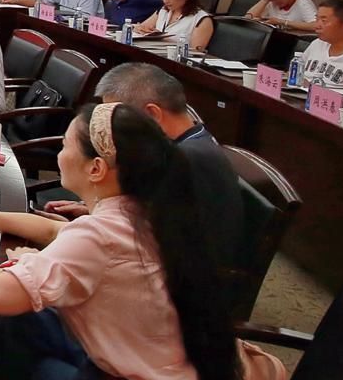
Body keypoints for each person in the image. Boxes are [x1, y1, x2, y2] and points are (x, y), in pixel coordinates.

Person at [0, 102, 243, 380]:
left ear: (96, 168)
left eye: (65, 146)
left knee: (32, 357)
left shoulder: (99, 235)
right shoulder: (146, 212)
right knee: (25, 323)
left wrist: (25, 262)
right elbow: (54, 231)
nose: (60, 154)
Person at [39, 67, 245, 276]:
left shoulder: (184, 163)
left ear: (152, 114)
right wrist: (91, 210)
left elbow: (144, 242)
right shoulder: (189, 143)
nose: (107, 130)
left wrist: (83, 227)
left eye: (117, 118)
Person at [137, 0, 215, 51]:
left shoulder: (202, 20)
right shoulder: (163, 10)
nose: (165, 1)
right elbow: (141, 28)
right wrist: (142, 30)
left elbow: (195, 52)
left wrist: (161, 38)